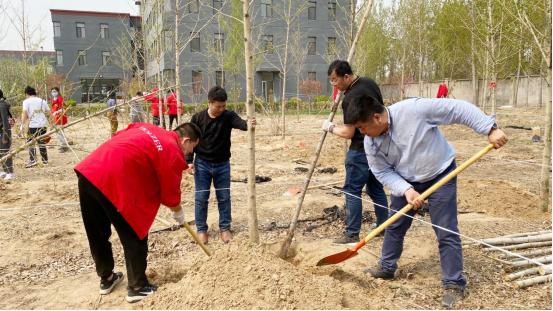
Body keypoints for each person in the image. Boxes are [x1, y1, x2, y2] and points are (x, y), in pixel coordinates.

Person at [345, 94, 508, 308]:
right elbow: (381, 170)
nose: (361, 132)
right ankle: (386, 267)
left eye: (362, 127)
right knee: (395, 226)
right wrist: (406, 190)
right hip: (406, 180)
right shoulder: (370, 141)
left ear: (377, 118)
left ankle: (454, 283)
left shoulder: (415, 110)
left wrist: (490, 128)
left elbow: (457, 109)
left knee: (445, 229)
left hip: (441, 174)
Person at [74, 122, 201, 303]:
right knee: (135, 229)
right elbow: (170, 194)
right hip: (112, 180)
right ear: (186, 140)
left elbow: (118, 138)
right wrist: (178, 213)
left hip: (89, 171)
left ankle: (107, 278)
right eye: (191, 148)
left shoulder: (145, 126)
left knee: (97, 231)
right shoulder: (172, 149)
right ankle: (137, 287)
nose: (189, 154)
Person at [322, 60, 389, 246]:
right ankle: (384, 226)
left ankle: (351, 233)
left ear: (345, 76)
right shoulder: (369, 82)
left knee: (352, 190)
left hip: (360, 150)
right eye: (331, 81)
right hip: (378, 147)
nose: (334, 85)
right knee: (376, 189)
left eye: (335, 80)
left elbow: (348, 132)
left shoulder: (350, 98)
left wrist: (330, 127)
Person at [187, 86, 256, 245]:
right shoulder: (197, 118)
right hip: (202, 164)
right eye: (218, 106)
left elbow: (241, 124)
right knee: (201, 198)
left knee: (224, 197)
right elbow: (190, 140)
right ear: (209, 103)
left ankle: (225, 228)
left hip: (222, 164)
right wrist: (189, 161)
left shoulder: (228, 116)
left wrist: (249, 123)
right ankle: (201, 230)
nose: (221, 109)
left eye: (224, 106)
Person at [21, 86, 50, 168]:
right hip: (43, 125)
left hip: (33, 126)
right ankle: (45, 161)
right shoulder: (42, 101)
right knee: (42, 143)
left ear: (27, 94)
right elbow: (48, 112)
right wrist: (52, 123)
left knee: (30, 142)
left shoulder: (26, 101)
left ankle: (33, 160)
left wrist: (22, 124)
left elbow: (24, 112)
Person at [0, 89, 14, 182]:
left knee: (5, 151)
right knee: (1, 151)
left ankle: (10, 172)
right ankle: (5, 170)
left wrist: (5, 136)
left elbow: (5, 122)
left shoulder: (2, 106)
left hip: (4, 132)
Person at [51, 87, 70, 153]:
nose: (53, 93)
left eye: (54, 91)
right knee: (59, 132)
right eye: (52, 91)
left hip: (60, 118)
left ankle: (64, 146)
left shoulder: (60, 99)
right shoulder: (54, 99)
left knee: (59, 133)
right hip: (55, 118)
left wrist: (57, 112)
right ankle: (63, 144)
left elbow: (64, 109)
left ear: (58, 91)